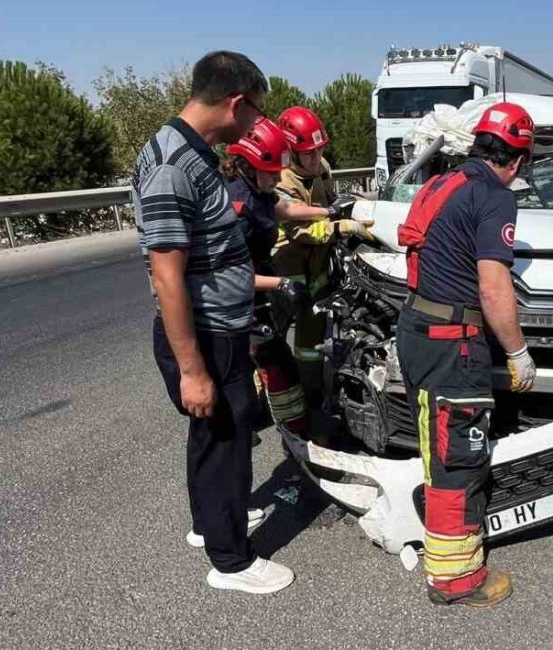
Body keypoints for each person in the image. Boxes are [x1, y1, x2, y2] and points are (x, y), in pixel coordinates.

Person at [133, 51, 293, 595]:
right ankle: (232, 562)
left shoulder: (193, 153)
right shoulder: (173, 166)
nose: (255, 126)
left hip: (220, 327)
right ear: (234, 102)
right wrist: (192, 369)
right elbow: (167, 277)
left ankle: (211, 524)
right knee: (227, 440)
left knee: (213, 435)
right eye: (255, 113)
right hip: (205, 335)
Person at [396, 102, 538, 607]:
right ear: (519, 159)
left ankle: (447, 553)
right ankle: (455, 580)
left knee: (439, 451)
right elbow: (495, 286)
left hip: (416, 327)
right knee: (459, 455)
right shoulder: (495, 197)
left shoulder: (442, 182)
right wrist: (517, 352)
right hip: (452, 342)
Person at [222, 118, 371, 439]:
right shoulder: (237, 210)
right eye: (272, 172)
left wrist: (330, 212)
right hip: (240, 291)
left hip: (261, 279)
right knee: (246, 363)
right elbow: (231, 275)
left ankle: (293, 426)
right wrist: (280, 285)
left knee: (275, 361)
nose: (277, 177)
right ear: (250, 165)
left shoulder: (256, 189)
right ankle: (240, 424)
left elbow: (285, 208)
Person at [271, 106, 366, 405]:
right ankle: (262, 397)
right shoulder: (281, 180)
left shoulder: (321, 166)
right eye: (308, 153)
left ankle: (311, 392)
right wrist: (341, 227)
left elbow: (331, 201)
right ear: (291, 151)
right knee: (272, 334)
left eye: (319, 149)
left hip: (318, 264)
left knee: (311, 334)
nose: (316, 158)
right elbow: (299, 229)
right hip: (289, 266)